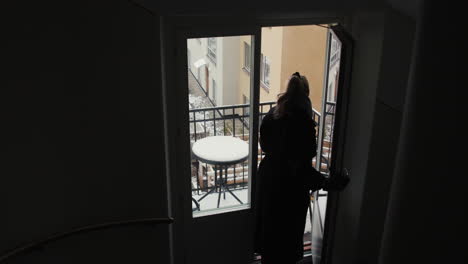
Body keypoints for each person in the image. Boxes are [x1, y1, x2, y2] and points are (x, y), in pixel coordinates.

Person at [253, 72, 347, 264]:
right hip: (289, 189)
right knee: (287, 236)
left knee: (270, 233)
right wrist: (326, 182)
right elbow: (300, 166)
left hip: (269, 178)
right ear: (306, 94)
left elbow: (265, 145)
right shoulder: (302, 123)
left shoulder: (272, 114)